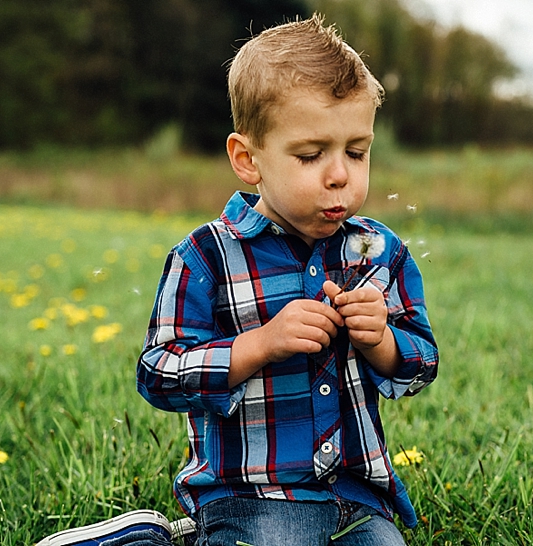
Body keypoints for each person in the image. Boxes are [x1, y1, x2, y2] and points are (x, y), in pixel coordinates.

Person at [37, 13, 438, 546]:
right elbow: (158, 373)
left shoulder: (378, 251)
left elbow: (422, 361)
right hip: (252, 493)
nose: (340, 173)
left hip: (357, 496)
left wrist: (382, 340)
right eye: (311, 154)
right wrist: (259, 345)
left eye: (357, 152)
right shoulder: (207, 256)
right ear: (248, 160)